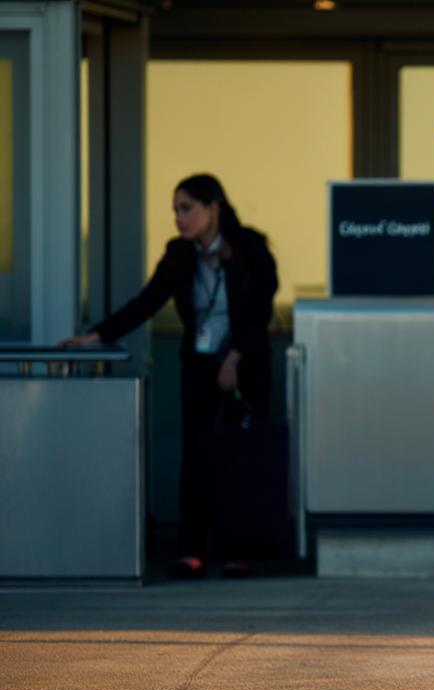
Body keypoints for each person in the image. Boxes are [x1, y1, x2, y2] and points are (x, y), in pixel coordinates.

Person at [62, 174, 278, 580]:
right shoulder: (180, 256)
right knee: (195, 455)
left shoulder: (249, 248)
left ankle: (239, 550)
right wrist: (96, 336)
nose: (179, 219)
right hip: (199, 365)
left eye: (187, 209)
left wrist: (234, 358)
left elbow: (260, 311)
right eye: (175, 211)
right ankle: (192, 550)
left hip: (244, 365)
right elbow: (145, 302)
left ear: (212, 207)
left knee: (239, 456)